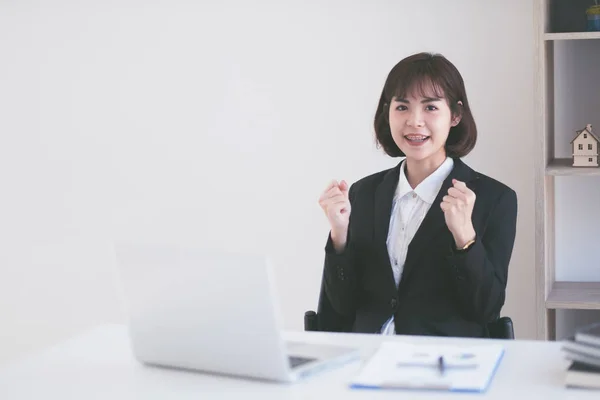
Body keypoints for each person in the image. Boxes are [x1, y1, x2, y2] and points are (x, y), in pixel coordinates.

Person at [317, 52, 518, 337]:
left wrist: (465, 239)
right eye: (402, 107)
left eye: (430, 108)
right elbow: (341, 306)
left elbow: (485, 309)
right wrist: (339, 237)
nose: (414, 121)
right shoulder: (363, 193)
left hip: (442, 362)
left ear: (456, 115)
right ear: (387, 113)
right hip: (367, 356)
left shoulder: (495, 199)